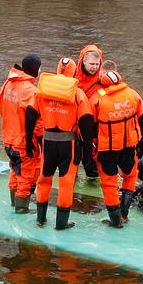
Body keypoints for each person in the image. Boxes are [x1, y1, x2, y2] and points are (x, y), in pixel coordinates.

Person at [25, 59, 94, 231]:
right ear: (73, 72)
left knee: (44, 179)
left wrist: (28, 141)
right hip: (68, 144)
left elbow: (30, 114)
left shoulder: (43, 90)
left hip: (48, 142)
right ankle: (61, 224)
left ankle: (40, 219)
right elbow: (86, 121)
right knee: (66, 183)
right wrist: (87, 151)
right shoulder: (77, 94)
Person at [88, 70, 143, 229]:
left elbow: (89, 124)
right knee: (130, 177)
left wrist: (89, 149)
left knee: (109, 184)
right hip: (129, 146)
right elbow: (142, 117)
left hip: (107, 149)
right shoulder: (133, 94)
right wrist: (141, 144)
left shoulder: (97, 98)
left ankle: (115, 221)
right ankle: (124, 214)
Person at [0, 53, 43, 214]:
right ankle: (21, 207)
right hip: (23, 141)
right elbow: (38, 121)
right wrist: (41, 140)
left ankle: (13, 201)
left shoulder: (8, 84)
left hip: (8, 138)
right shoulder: (30, 90)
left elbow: (1, 104)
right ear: (35, 69)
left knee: (14, 170)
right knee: (25, 175)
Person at [71, 43, 104, 178]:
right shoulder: (73, 75)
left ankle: (92, 175)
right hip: (74, 124)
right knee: (74, 157)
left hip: (93, 125)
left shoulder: (103, 78)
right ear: (83, 61)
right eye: (92, 64)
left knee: (91, 160)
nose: (95, 67)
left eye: (97, 64)